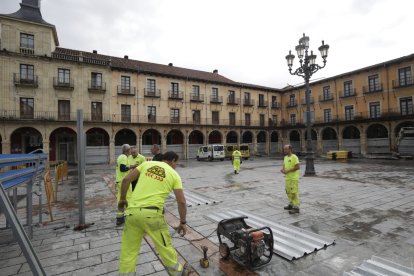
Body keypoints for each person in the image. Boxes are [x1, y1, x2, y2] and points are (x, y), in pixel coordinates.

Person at [118, 151, 188, 275]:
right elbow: (181, 202)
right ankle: (177, 272)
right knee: (164, 246)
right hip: (152, 215)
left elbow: (126, 180)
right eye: (176, 163)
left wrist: (123, 199)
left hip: (132, 213)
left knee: (128, 251)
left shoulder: (146, 164)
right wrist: (182, 222)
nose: (176, 165)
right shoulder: (174, 174)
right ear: (172, 161)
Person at [115, 144, 136, 226]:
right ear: (127, 150)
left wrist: (131, 167)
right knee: (129, 197)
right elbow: (122, 168)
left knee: (121, 198)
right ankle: (129, 215)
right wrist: (132, 167)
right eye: (130, 150)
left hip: (121, 181)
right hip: (124, 182)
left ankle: (120, 218)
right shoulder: (123, 157)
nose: (131, 152)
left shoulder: (121, 157)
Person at [280, 144, 300, 214]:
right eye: (284, 149)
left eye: (286, 149)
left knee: (294, 192)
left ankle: (296, 207)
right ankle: (291, 204)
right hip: (287, 178)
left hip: (294, 178)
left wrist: (288, 171)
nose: (284, 150)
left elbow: (297, 167)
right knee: (288, 191)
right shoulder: (285, 157)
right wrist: (282, 170)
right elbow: (284, 167)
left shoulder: (294, 157)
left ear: (290, 149)